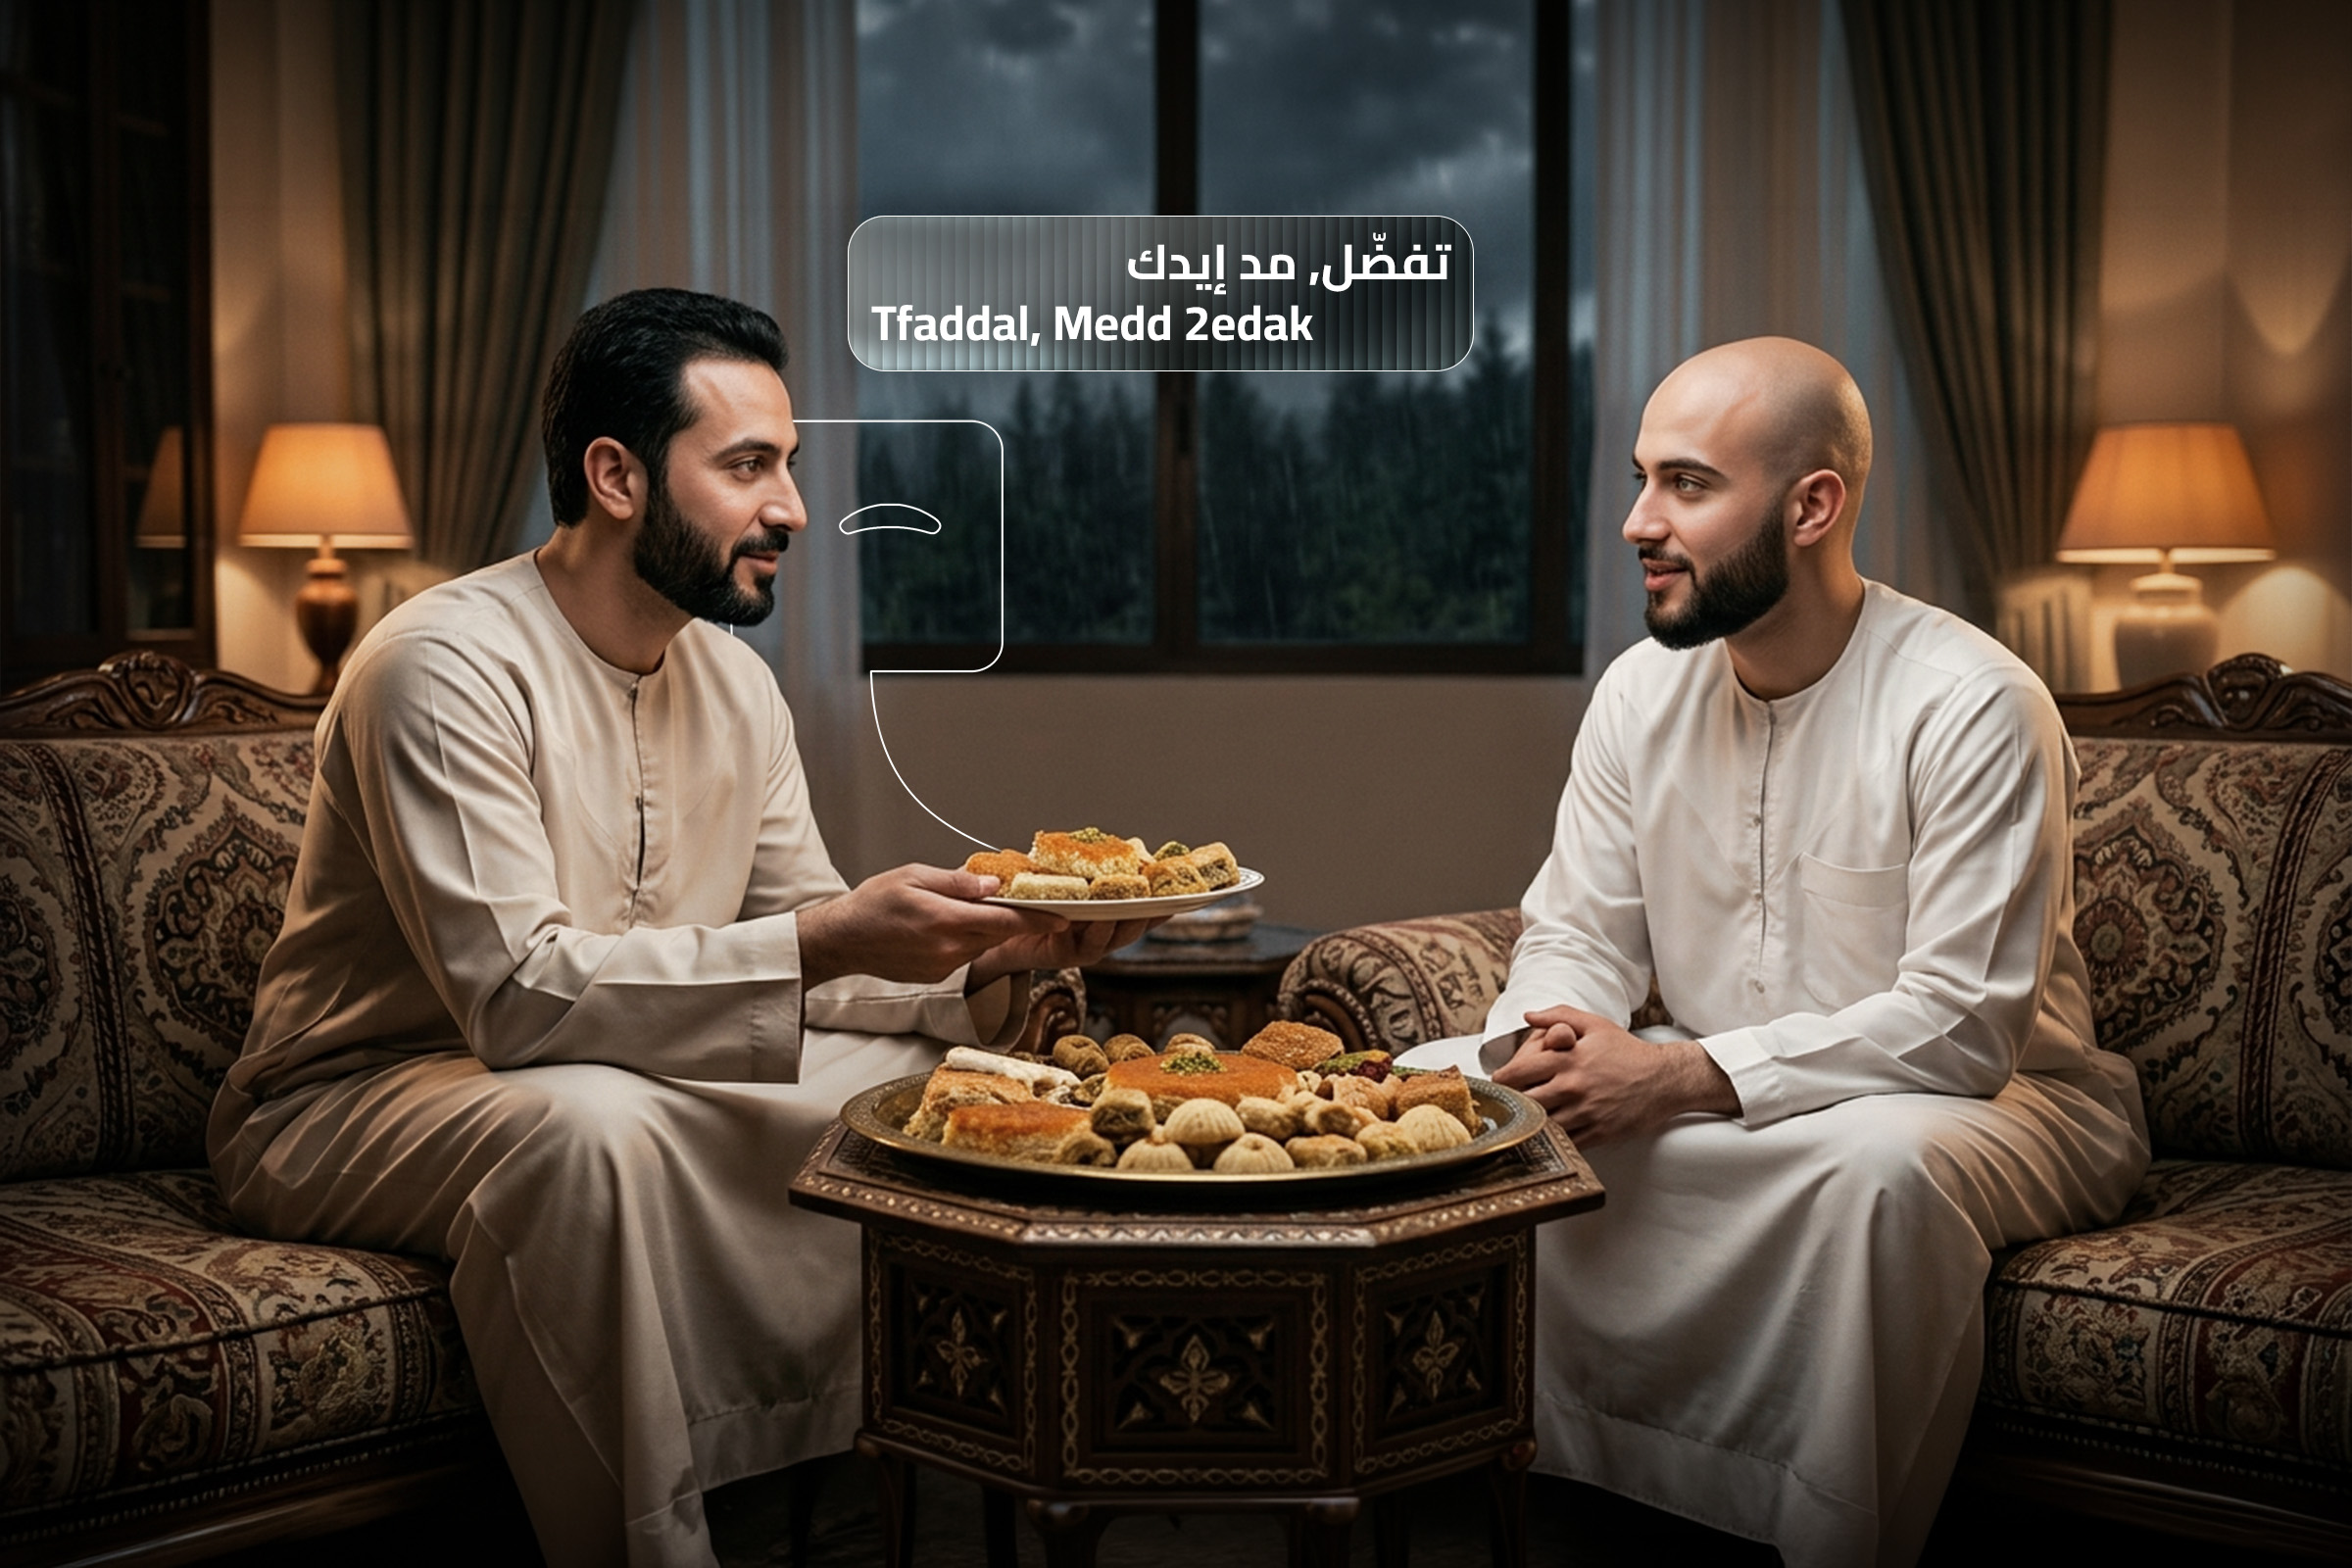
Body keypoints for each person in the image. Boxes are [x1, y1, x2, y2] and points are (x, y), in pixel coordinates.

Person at [207, 288, 1152, 1568]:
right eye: (749, 466)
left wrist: (970, 971)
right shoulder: (438, 666)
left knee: (942, 1087)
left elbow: (801, 955)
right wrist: (828, 938)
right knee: (590, 1133)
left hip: (622, 1058)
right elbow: (522, 1002)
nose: (794, 510)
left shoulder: (735, 682)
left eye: (792, 467)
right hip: (359, 1095)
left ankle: (906, 1471)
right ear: (617, 476)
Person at [1399, 337, 2149, 1567]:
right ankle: (1551, 1494)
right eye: (1642, 480)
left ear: (1813, 506)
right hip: (1721, 1080)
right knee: (1451, 1092)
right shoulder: (1641, 693)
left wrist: (1677, 1079)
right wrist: (1550, 1043)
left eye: (1688, 485)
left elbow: (1963, 1024)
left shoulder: (1973, 702)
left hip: (2001, 1100)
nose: (1639, 521)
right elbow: (1579, 929)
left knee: (1871, 1173)